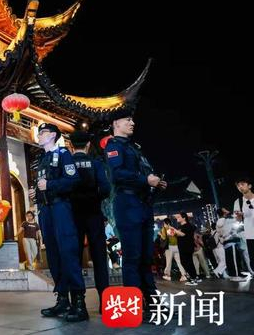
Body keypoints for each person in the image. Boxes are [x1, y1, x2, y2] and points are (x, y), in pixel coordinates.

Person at [104, 108, 167, 320]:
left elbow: (144, 172)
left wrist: (155, 182)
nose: (132, 123)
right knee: (132, 257)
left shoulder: (135, 148)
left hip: (143, 204)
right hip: (127, 204)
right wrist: (145, 180)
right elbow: (117, 174)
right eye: (127, 120)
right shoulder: (114, 146)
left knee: (146, 257)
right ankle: (133, 307)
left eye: (132, 119)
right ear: (116, 124)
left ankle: (152, 302)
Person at [34, 123, 87, 322]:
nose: (39, 135)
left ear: (53, 136)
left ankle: (79, 303)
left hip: (61, 208)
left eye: (43, 133)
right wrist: (36, 192)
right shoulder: (41, 159)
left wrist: (50, 185)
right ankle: (62, 299)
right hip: (46, 210)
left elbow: (73, 180)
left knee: (67, 251)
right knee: (53, 255)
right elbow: (41, 184)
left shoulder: (63, 154)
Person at [69, 130, 111, 311]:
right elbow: (106, 188)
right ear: (88, 145)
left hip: (73, 216)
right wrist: (94, 198)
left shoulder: (68, 164)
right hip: (94, 214)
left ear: (71, 146)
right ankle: (105, 301)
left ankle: (78, 301)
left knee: (75, 258)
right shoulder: (96, 163)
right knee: (99, 257)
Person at [233, 176, 254, 273]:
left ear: (249, 186)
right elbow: (237, 220)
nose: (240, 187)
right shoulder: (238, 202)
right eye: (238, 185)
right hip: (250, 236)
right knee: (252, 261)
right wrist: (239, 216)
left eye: (242, 184)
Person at [175, 213, 200, 285]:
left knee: (185, 262)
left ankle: (193, 279)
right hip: (183, 246)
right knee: (189, 262)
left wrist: (174, 230)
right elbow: (180, 234)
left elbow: (183, 234)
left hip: (186, 247)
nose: (177, 218)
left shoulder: (187, 226)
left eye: (179, 217)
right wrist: (174, 233)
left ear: (184, 218)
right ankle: (195, 277)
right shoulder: (181, 226)